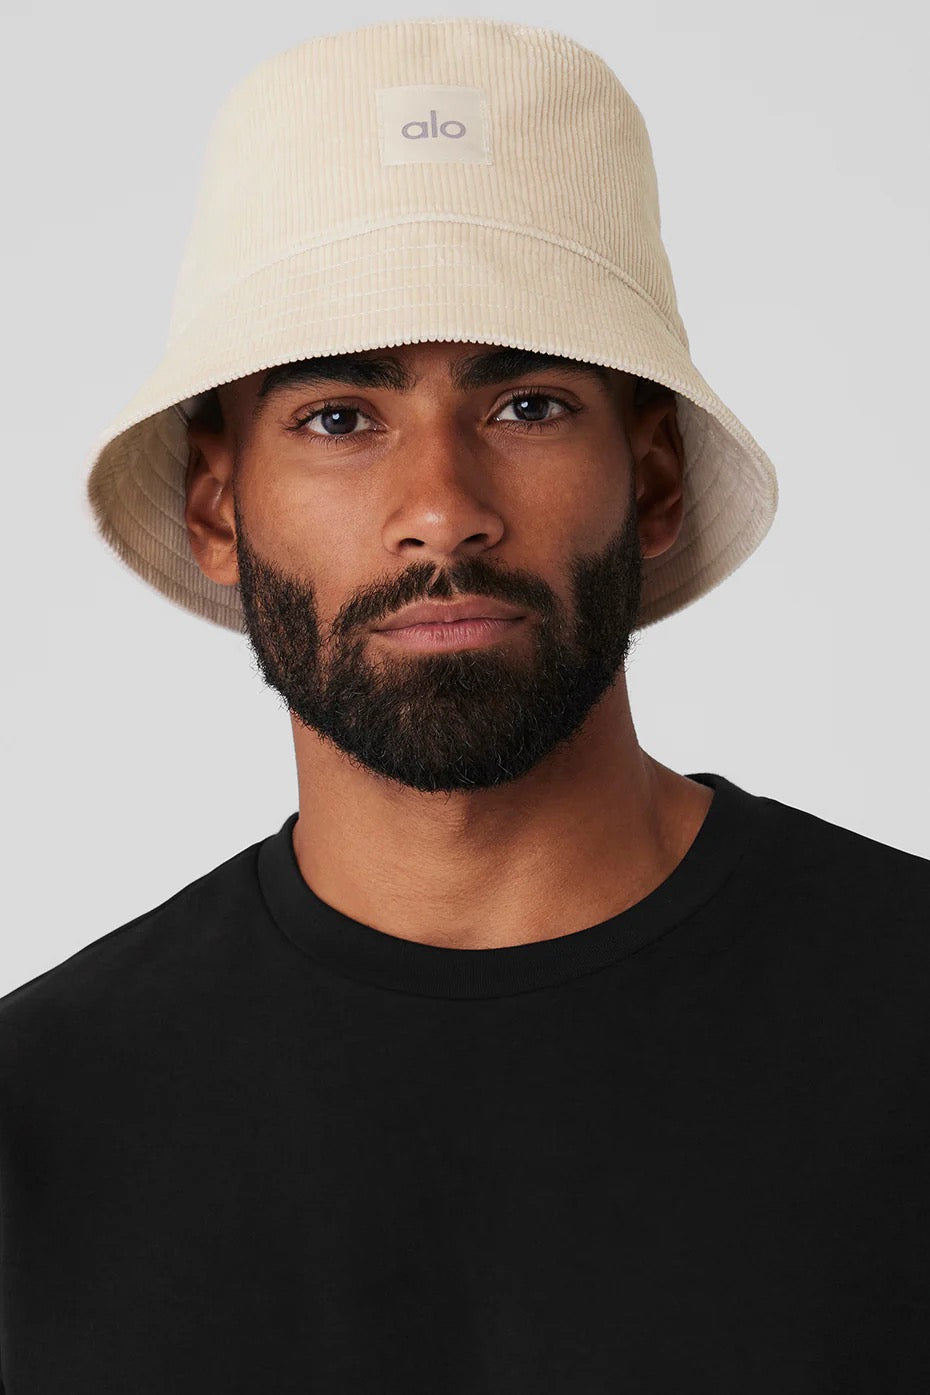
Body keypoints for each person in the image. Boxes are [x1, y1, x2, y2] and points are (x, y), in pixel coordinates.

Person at [1, 17, 927, 1394]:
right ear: (217, 508)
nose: (441, 510)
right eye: (338, 417)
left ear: (653, 483)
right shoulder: (42, 1125)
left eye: (527, 406)